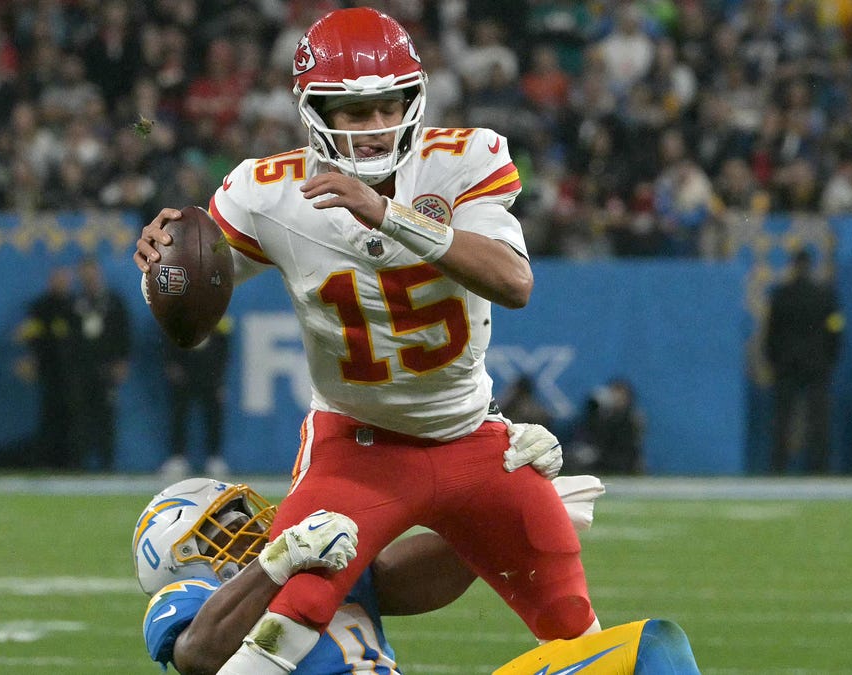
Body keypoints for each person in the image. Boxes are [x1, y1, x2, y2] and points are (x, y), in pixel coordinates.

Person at [133, 9, 597, 671]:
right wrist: (160, 268)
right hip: (355, 446)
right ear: (314, 111)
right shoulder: (265, 191)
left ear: (414, 100)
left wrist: (389, 214)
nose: (375, 125)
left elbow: (513, 281)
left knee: (573, 615)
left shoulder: (466, 157)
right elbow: (191, 294)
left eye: (388, 105)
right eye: (352, 112)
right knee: (286, 614)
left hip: (470, 435)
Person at [133, 473, 699, 674]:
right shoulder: (188, 598)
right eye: (223, 522)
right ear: (179, 552)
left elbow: (409, 577)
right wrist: (274, 565)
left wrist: (511, 513)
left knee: (654, 646)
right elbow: (199, 654)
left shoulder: (311, 558)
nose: (246, 523)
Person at [764, 249, 844, 474]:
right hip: (817, 365)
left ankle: (778, 467)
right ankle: (819, 467)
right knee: (818, 421)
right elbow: (836, 329)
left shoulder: (781, 296)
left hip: (787, 364)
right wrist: (830, 359)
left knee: (783, 420)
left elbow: (771, 333)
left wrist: (774, 360)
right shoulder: (825, 296)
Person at [15, 265, 83, 469]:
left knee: (73, 417)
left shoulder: (76, 306)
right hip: (49, 372)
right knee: (49, 416)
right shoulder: (41, 307)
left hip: (72, 373)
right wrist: (31, 359)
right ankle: (48, 461)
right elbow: (30, 336)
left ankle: (73, 462)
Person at [74, 257, 131, 471]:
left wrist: (122, 361)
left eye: (92, 274)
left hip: (106, 367)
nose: (89, 279)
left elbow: (123, 333)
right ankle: (78, 463)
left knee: (106, 415)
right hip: (81, 369)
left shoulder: (113, 302)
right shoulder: (75, 303)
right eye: (85, 275)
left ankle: (107, 463)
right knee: (80, 416)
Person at [159, 316, 233, 479]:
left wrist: (220, 378)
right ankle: (178, 457)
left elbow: (224, 346)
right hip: (184, 372)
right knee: (179, 415)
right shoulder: (179, 311)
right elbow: (168, 336)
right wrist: (171, 363)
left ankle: (214, 457)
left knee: (213, 416)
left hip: (209, 375)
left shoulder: (219, 313)